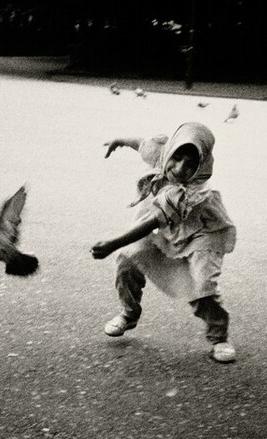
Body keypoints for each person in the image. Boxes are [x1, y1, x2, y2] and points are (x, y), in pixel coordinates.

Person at [90, 122, 237, 363]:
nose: (179, 169)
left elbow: (151, 221)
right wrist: (120, 139)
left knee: (202, 285)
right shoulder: (164, 153)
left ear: (200, 166)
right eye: (176, 157)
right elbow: (143, 145)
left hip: (202, 232)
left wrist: (112, 243)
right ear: (170, 151)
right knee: (127, 261)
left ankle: (219, 337)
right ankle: (129, 313)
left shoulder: (189, 192)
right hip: (169, 228)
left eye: (190, 165)